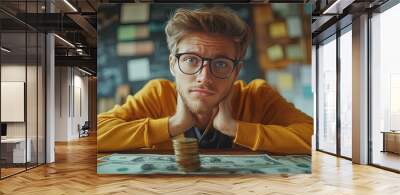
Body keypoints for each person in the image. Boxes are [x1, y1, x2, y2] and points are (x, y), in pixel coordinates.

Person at [97, 7, 313, 155]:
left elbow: (315, 137)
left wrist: (236, 128)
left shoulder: (258, 96)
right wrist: (172, 125)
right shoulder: (158, 94)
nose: (204, 77)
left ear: (236, 70)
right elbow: (98, 134)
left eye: (220, 63)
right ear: (173, 64)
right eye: (191, 60)